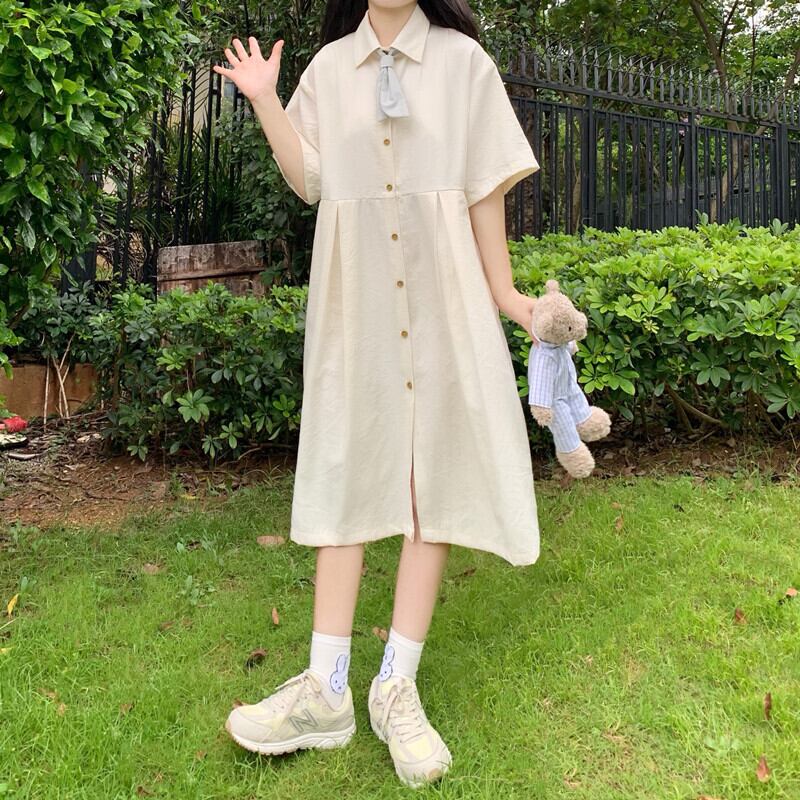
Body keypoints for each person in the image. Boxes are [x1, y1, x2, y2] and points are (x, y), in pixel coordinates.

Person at [214, 0, 541, 788]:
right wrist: (265, 98)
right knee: (346, 468)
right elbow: (311, 179)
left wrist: (507, 296)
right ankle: (325, 690)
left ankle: (396, 684)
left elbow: (483, 187)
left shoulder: (463, 63)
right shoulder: (330, 69)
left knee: (433, 483)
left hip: (443, 300)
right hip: (357, 305)